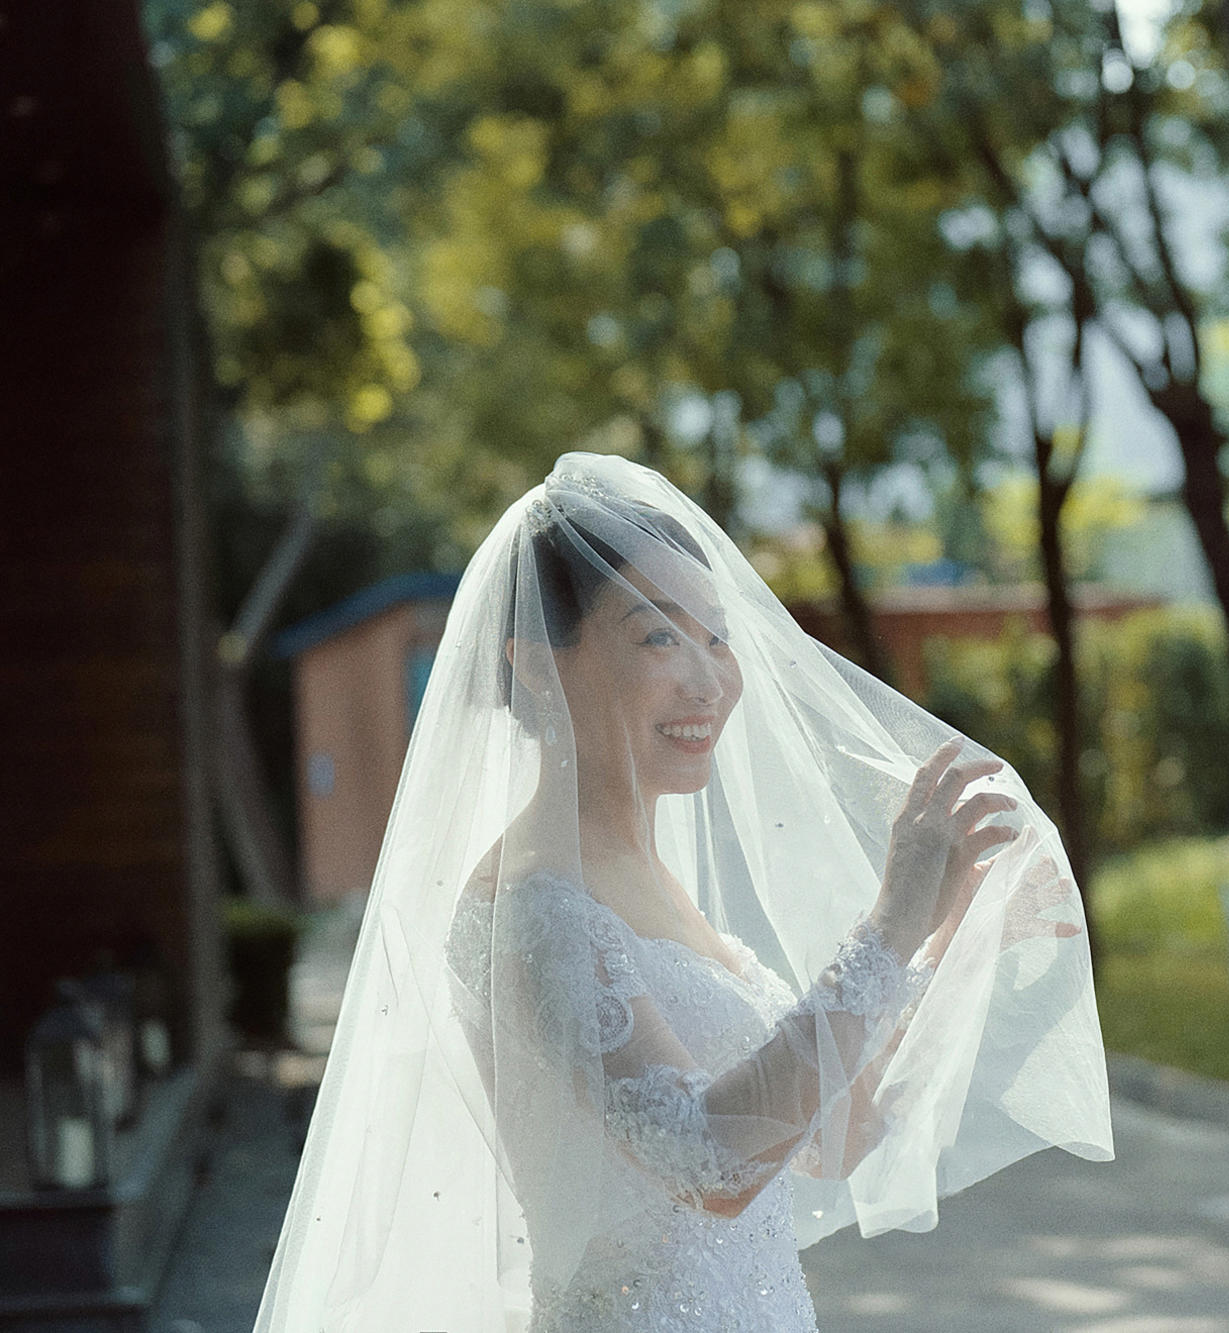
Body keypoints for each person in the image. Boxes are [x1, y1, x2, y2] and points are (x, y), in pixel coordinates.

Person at [254, 453, 1112, 1332]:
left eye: (716, 637)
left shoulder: (659, 884)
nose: (708, 678)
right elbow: (711, 1163)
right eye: (659, 637)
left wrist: (942, 933)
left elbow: (831, 1136)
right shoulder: (530, 906)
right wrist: (890, 921)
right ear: (540, 667)